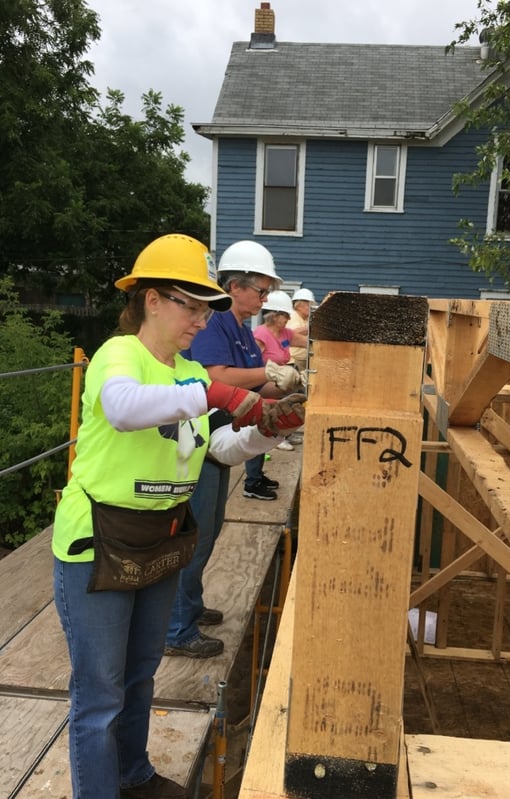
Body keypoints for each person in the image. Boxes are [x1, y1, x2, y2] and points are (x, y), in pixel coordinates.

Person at [52, 233, 304, 798]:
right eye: (189, 305)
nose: (199, 319)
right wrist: (213, 392)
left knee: (140, 678)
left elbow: (216, 450)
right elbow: (122, 409)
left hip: (158, 542)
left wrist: (264, 431)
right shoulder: (121, 355)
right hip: (97, 545)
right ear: (151, 300)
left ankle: (134, 776)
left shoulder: (186, 371)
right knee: (99, 696)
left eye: (206, 307)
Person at [165, 240, 305, 659]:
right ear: (234, 285)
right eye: (260, 291)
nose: (264, 300)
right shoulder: (219, 321)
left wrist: (278, 388)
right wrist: (269, 372)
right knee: (193, 536)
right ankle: (176, 628)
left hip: (217, 438)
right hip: (196, 442)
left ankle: (188, 608)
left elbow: (250, 384)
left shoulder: (239, 328)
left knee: (208, 531)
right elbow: (217, 377)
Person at [253, 290, 307, 450]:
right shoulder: (261, 335)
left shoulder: (284, 333)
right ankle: (276, 436)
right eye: (285, 315)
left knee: (291, 403)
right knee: (261, 425)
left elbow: (306, 342)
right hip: (262, 385)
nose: (289, 318)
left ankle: (281, 434)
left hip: (278, 382)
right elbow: (252, 365)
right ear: (273, 315)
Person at [288, 287, 317, 373]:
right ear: (299, 306)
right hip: (293, 362)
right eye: (308, 304)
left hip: (303, 361)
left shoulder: (305, 319)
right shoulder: (292, 317)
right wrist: (308, 329)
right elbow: (287, 335)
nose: (311, 307)